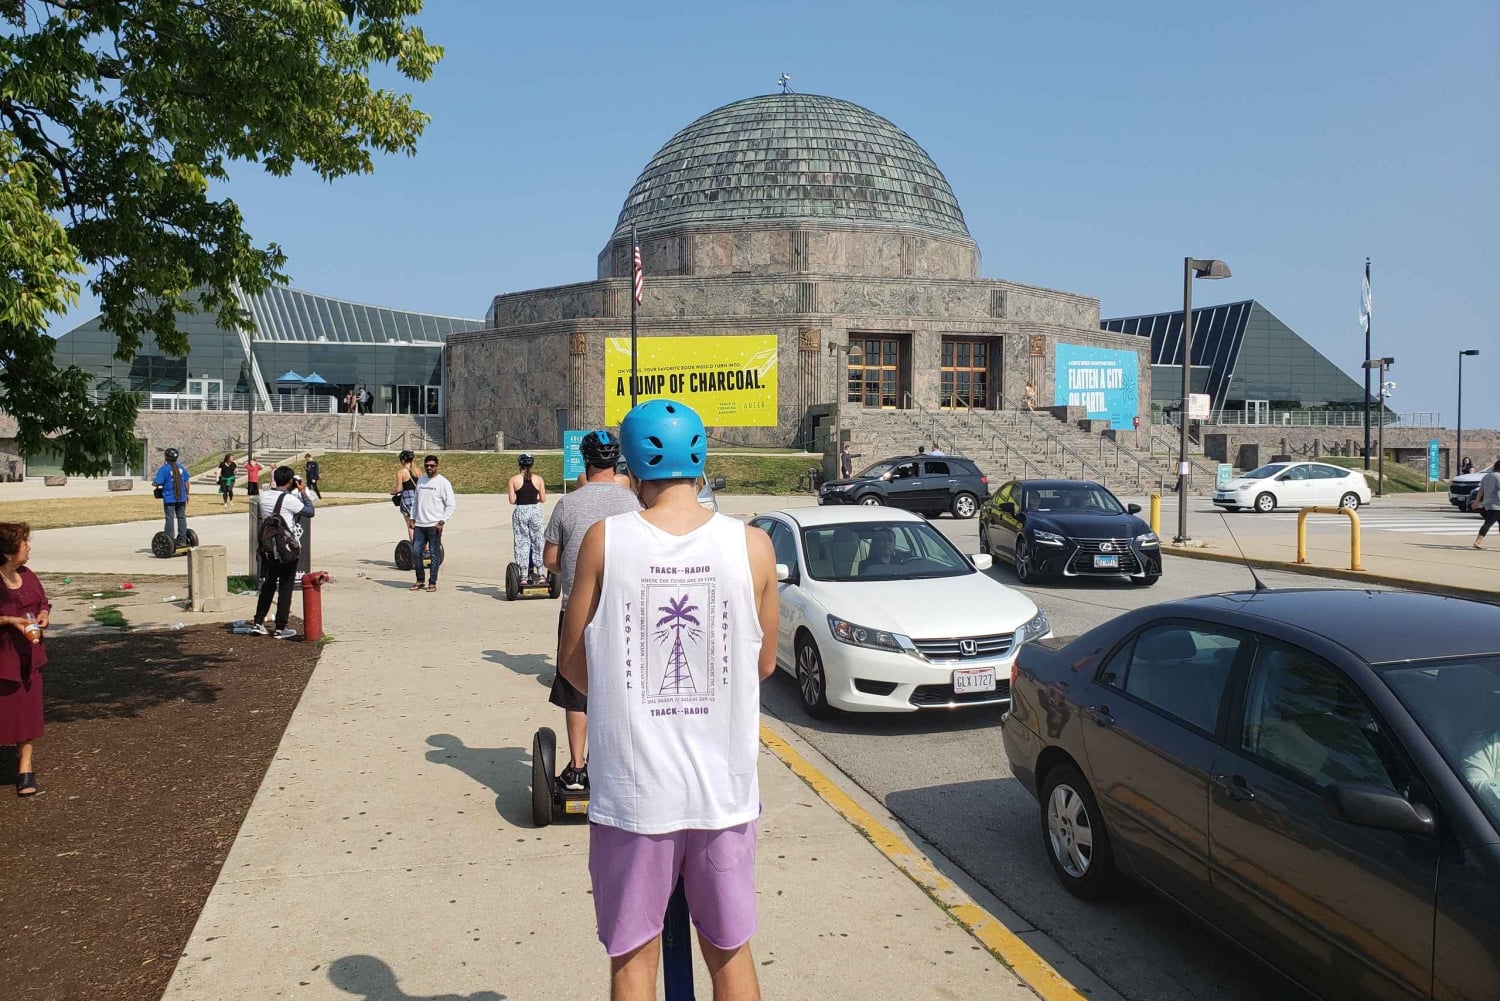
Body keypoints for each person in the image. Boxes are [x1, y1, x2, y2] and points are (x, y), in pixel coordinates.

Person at [558, 399, 777, 1001]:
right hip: (723, 794)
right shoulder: (753, 545)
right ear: (701, 461)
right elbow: (763, 663)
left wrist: (622, 694)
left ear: (631, 466)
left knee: (633, 960)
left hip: (634, 796)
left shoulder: (606, 540)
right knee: (730, 954)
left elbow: (571, 661)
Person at [542, 430, 641, 793]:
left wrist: (574, 568)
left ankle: (577, 767)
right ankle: (611, 762)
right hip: (622, 613)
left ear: (584, 462)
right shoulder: (633, 504)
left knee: (575, 690)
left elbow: (550, 559)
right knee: (619, 688)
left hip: (576, 612)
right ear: (617, 463)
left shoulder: (568, 504)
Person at [0, 523, 49, 797]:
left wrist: (44, 614)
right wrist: (8, 620)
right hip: (4, 659)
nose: (29, 548)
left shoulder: (27, 575)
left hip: (29, 657)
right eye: (23, 544)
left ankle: (25, 768)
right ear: (8, 553)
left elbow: (43, 602)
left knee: (27, 715)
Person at [247, 467, 314, 639]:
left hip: (268, 548)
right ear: (291, 481)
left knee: (268, 585)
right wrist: (303, 492)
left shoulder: (264, 497)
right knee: (285, 587)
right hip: (286, 550)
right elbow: (310, 511)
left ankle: (258, 622)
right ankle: (280, 628)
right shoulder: (289, 499)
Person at [411, 455, 455, 592]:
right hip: (420, 525)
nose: (429, 468)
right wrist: (412, 517)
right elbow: (416, 501)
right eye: (427, 465)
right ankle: (420, 580)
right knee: (416, 552)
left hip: (434, 525)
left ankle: (432, 582)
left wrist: (442, 521)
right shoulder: (421, 480)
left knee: (434, 555)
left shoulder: (443, 483)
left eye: (432, 466)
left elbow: (451, 505)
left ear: (437, 466)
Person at [508, 453, 547, 585]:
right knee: (538, 541)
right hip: (535, 511)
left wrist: (522, 498)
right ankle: (541, 573)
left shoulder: (513, 480)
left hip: (521, 511)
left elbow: (511, 500)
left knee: (522, 542)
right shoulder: (539, 479)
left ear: (519, 465)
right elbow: (543, 499)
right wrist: (533, 498)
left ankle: (523, 574)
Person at [152, 447, 191, 549]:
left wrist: (156, 484)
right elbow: (186, 482)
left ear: (166, 457)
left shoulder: (164, 469)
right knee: (181, 517)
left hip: (169, 498)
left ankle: (169, 539)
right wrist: (187, 494)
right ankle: (182, 539)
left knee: (170, 518)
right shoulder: (181, 468)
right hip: (181, 497)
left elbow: (157, 482)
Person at [1472, 458, 1500, 551]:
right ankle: (1478, 541)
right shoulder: (1498, 477)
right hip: (1497, 503)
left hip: (1488, 502)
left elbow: (1481, 490)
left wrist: (1477, 501)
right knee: (1488, 523)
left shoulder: (1487, 476)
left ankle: (1478, 541)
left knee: (1491, 522)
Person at [391, 449, 419, 541]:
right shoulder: (418, 470)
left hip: (408, 499)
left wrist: (393, 492)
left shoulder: (401, 472)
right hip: (418, 498)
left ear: (403, 460)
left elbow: (399, 489)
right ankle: (426, 546)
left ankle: (415, 546)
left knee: (410, 525)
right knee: (421, 525)